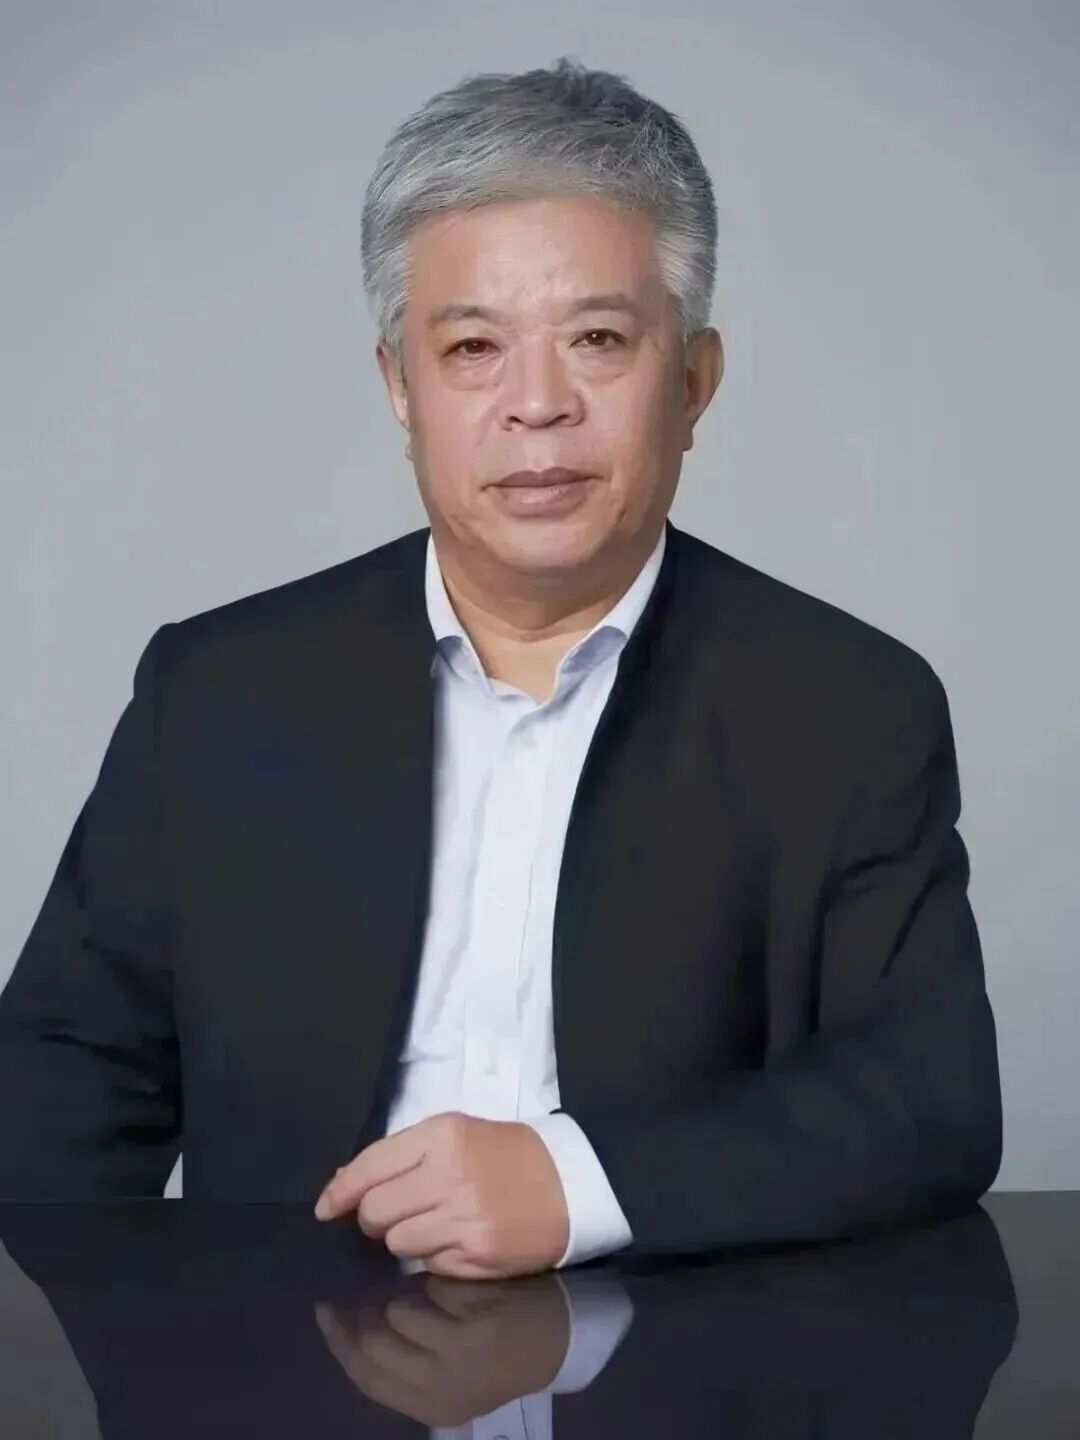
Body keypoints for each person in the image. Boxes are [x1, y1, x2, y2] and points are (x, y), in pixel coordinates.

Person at [0, 56, 1002, 1281]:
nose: (537, 404)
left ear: (694, 382)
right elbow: (62, 1075)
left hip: (684, 1349)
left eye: (599, 339)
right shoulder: (214, 693)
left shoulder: (849, 706)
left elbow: (927, 1096)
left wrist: (582, 1185)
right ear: (400, 387)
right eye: (472, 346)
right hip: (278, 1348)